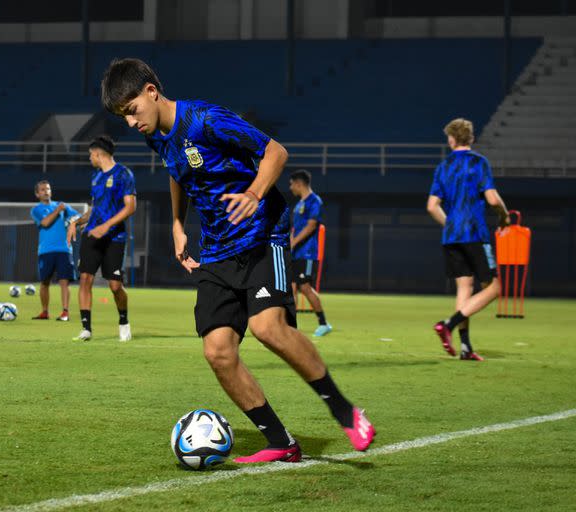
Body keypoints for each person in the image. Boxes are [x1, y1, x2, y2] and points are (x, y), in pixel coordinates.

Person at [100, 58, 374, 463]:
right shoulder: (156, 134)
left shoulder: (206, 120)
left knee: (268, 328)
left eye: (132, 110)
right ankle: (281, 442)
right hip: (216, 248)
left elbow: (275, 153)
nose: (130, 122)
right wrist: (178, 224)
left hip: (264, 235)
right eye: (123, 116)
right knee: (218, 351)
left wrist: (253, 194)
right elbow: (177, 171)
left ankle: (344, 410)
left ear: (152, 92)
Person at [427, 118, 510, 361]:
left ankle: (465, 348)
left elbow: (432, 206)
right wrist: (504, 217)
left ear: (451, 140)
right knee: (495, 288)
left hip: (452, 236)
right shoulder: (478, 162)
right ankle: (448, 324)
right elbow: (493, 200)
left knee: (465, 287)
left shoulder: (443, 167)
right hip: (474, 233)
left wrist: (450, 225)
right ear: (471, 139)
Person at [67, 135, 136, 343]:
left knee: (115, 286)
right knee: (85, 279)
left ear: (98, 154)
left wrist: (106, 226)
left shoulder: (124, 174)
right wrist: (76, 222)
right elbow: (96, 209)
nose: (90, 158)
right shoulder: (96, 177)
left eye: (90, 155)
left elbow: (130, 207)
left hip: (115, 237)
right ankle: (86, 329)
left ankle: (124, 322)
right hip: (92, 236)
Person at [289, 170, 332, 337]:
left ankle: (323, 323)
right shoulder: (299, 204)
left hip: (307, 253)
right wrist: (290, 243)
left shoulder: (315, 201)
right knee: (291, 287)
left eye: (292, 184)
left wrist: (294, 242)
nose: (291, 187)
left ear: (299, 184)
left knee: (305, 288)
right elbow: (295, 228)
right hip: (296, 253)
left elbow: (312, 225)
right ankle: (291, 324)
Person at [30, 181, 81, 321]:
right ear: (37, 194)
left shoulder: (63, 206)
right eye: (42, 190)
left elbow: (78, 217)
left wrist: (73, 221)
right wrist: (58, 211)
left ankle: (65, 312)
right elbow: (45, 223)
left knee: (64, 281)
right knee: (44, 282)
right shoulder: (36, 210)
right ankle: (45, 312)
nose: (45, 191)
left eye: (48, 189)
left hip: (64, 249)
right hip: (45, 251)